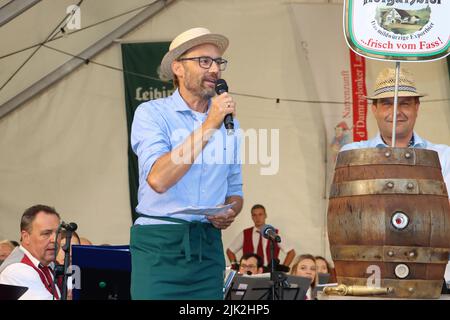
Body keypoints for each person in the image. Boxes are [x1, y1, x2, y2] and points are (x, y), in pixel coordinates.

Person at [130, 27, 243, 300]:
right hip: (160, 247)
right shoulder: (151, 114)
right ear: (178, 68)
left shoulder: (231, 125)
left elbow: (235, 190)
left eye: (218, 62)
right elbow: (158, 179)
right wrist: (210, 124)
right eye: (204, 61)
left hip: (207, 248)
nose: (215, 69)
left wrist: (229, 212)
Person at [340, 68, 450, 206]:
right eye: (387, 104)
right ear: (374, 109)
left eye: (404, 103)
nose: (396, 112)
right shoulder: (353, 154)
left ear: (416, 107)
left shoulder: (443, 156)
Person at [0, 205, 61, 300]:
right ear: (26, 237)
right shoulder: (17, 269)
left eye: (58, 233)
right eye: (46, 233)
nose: (55, 239)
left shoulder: (48, 265)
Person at [226, 204, 295, 270]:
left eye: (260, 214)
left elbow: (291, 252)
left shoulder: (273, 232)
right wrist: (235, 266)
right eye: (254, 215)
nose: (257, 218)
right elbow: (230, 251)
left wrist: (282, 268)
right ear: (252, 217)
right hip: (250, 272)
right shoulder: (245, 233)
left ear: (265, 215)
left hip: (269, 272)